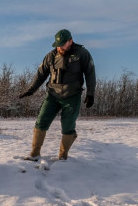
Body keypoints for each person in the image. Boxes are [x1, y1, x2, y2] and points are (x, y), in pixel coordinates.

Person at [19, 29, 96, 160]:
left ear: (70, 41)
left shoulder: (82, 53)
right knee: (41, 121)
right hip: (52, 95)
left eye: (62, 45)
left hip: (72, 96)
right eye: (58, 45)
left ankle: (63, 156)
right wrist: (31, 89)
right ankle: (34, 153)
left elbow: (90, 73)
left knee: (67, 126)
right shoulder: (51, 56)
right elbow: (41, 74)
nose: (59, 47)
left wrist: (90, 93)